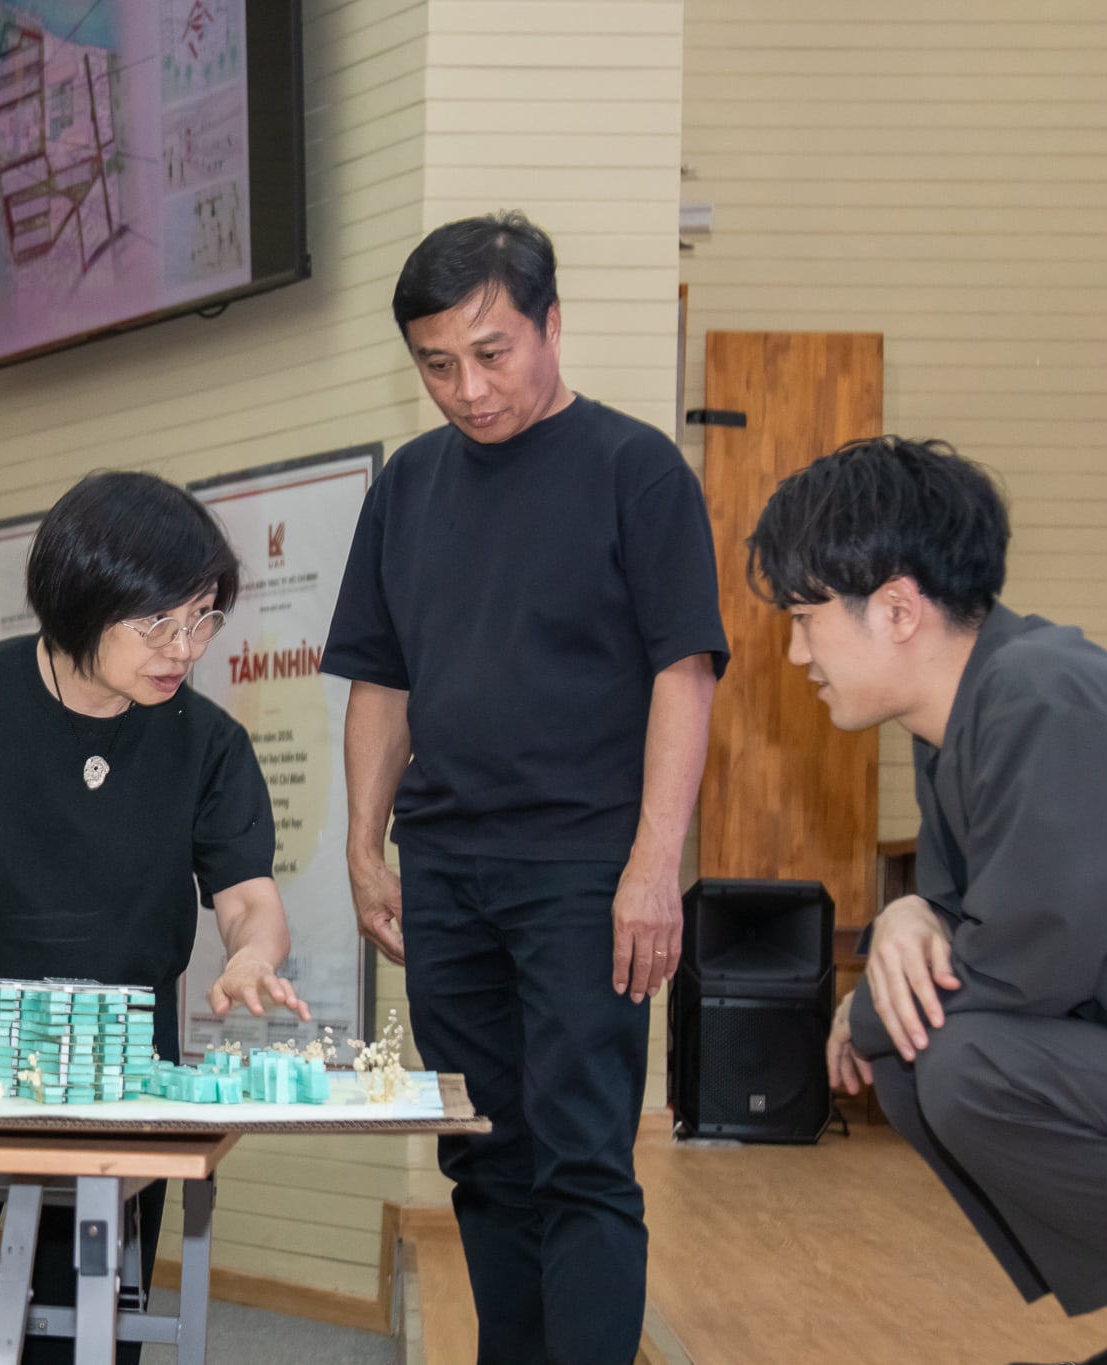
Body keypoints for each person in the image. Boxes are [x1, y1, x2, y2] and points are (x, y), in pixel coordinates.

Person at [322, 210, 727, 1365]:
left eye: (490, 354)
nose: (467, 389)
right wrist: (362, 847)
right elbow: (381, 682)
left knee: (581, 1158)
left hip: (584, 871)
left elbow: (684, 674)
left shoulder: (633, 470)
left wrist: (652, 866)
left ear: (550, 325)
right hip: (445, 874)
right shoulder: (408, 485)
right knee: (482, 1153)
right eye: (435, 365)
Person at [0, 469, 307, 1364]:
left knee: (89, 1339)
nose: (184, 647)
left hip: (116, 1083)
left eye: (203, 619)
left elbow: (247, 896)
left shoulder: (208, 743)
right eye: (158, 622)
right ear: (81, 598)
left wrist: (251, 956)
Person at [748, 436, 1107, 1343]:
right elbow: (962, 914)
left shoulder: (1041, 692)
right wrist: (905, 914)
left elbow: (1030, 964)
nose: (795, 652)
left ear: (899, 609)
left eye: (805, 618)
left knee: (963, 1063)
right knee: (920, 1061)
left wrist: (860, 1008)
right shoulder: (960, 718)